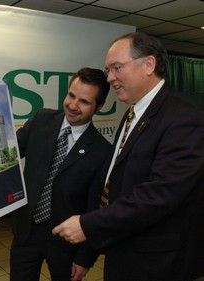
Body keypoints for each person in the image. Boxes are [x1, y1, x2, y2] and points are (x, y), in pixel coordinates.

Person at [53, 32, 204, 281]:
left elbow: (160, 195)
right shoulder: (133, 113)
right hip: (125, 250)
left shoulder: (185, 118)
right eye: (108, 70)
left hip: (158, 264)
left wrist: (90, 224)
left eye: (117, 68)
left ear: (149, 65)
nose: (110, 78)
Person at [10, 67, 112, 281]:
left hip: (67, 243)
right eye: (71, 95)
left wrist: (85, 258)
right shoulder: (41, 119)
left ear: (99, 107)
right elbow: (9, 154)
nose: (73, 106)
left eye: (84, 102)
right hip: (26, 231)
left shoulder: (102, 152)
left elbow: (95, 209)